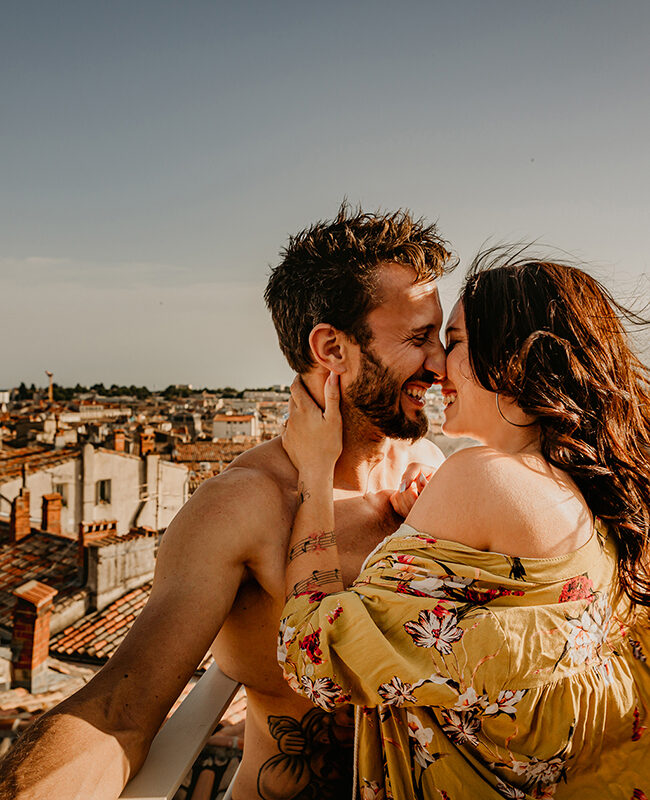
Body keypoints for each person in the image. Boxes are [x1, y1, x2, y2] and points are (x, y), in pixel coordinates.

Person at [0, 206, 455, 800]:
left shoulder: (435, 472)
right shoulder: (241, 506)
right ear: (332, 349)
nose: (441, 364)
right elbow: (120, 709)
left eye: (439, 338)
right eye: (419, 339)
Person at [279, 251, 650, 799]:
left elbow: (312, 653)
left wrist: (312, 470)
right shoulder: (591, 480)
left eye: (452, 342)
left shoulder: (480, 475)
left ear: (514, 358)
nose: (436, 366)